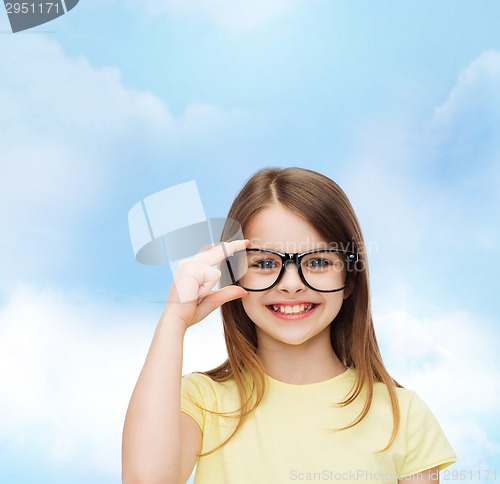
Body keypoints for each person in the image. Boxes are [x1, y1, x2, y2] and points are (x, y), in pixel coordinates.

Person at [122, 167, 457, 484]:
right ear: (232, 274)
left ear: (349, 279)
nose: (292, 284)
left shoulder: (404, 414)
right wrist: (173, 321)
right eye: (266, 263)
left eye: (319, 262)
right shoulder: (199, 400)